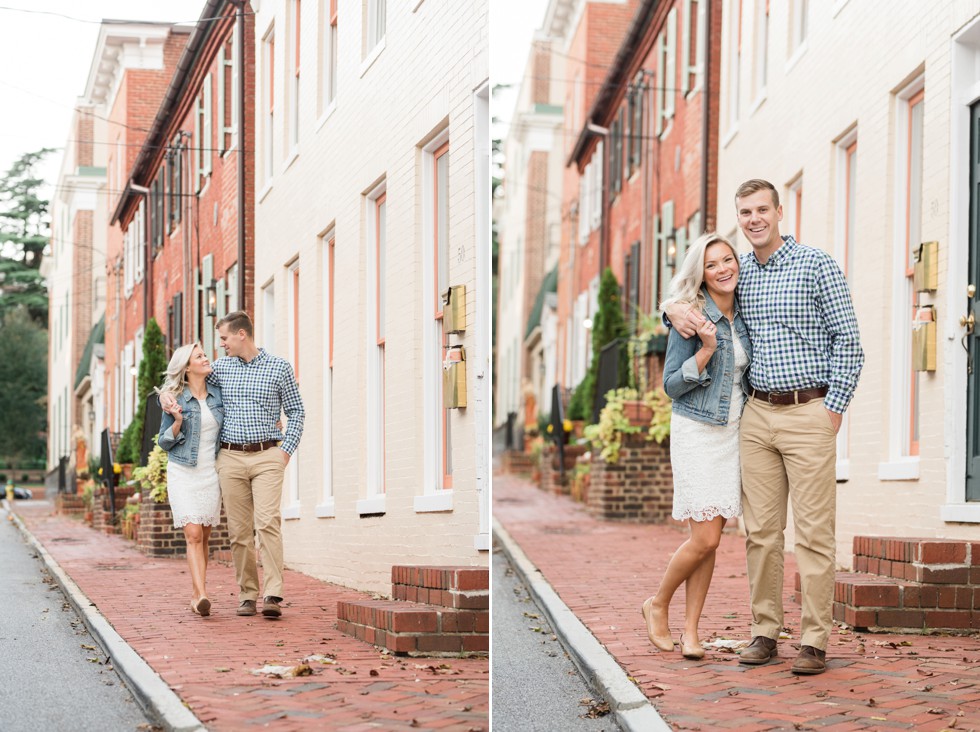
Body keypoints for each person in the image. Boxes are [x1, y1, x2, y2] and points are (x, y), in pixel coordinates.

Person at [665, 179, 863, 675]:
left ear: (779, 211)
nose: (754, 219)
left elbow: (850, 342)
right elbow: (694, 295)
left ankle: (814, 640)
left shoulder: (816, 264)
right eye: (745, 212)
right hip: (754, 416)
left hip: (809, 411)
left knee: (814, 533)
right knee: (762, 534)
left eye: (761, 210)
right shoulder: (740, 271)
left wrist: (832, 409)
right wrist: (668, 308)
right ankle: (764, 633)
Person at [641, 233, 752, 660]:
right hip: (697, 431)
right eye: (712, 264)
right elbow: (671, 385)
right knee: (704, 538)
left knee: (712, 539)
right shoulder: (690, 318)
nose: (723, 269)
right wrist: (705, 350)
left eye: (728, 260)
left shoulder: (745, 313)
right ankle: (658, 603)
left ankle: (691, 632)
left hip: (733, 433)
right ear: (700, 275)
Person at [160, 311, 305, 619]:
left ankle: (273, 594)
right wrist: (163, 397)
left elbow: (297, 412)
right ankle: (248, 594)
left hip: (268, 455)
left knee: (267, 522)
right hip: (229, 458)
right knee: (239, 531)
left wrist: (285, 452)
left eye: (224, 338)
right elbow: (184, 380)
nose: (220, 344)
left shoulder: (279, 368)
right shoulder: (221, 369)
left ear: (242, 335)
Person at [156, 342, 224, 617]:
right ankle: (203, 595)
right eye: (199, 356)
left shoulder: (217, 393)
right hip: (183, 470)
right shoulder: (175, 399)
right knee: (193, 533)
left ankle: (197, 594)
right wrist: (176, 421)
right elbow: (164, 442)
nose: (206, 358)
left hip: (211, 471)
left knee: (204, 536)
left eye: (205, 354)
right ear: (186, 367)